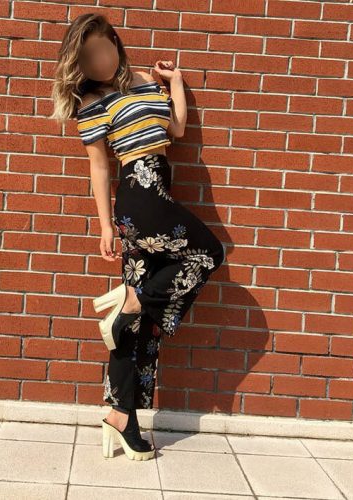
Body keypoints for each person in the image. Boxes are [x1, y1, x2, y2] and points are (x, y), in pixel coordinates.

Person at [50, 14, 225, 461]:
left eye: (102, 49)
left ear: (115, 42)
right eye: (87, 58)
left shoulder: (146, 80)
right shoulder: (92, 102)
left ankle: (120, 415)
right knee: (207, 252)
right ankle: (134, 299)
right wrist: (105, 225)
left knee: (137, 327)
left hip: (159, 187)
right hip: (138, 192)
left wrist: (176, 82)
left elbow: (177, 129)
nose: (98, 61)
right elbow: (99, 167)